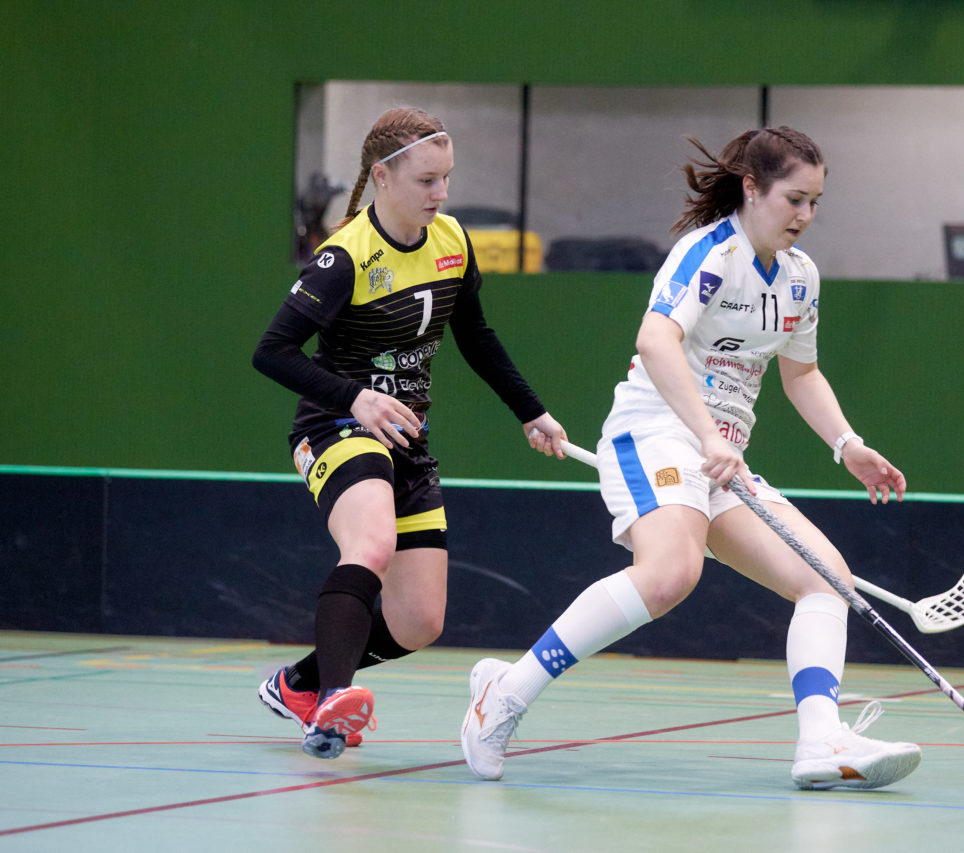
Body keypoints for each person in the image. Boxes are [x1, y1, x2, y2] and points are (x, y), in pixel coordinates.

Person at [461, 126, 921, 791]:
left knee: (828, 580)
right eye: (794, 199)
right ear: (752, 188)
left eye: (816, 202)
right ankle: (503, 696)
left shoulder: (800, 278)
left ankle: (821, 741)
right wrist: (707, 433)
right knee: (670, 571)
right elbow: (655, 340)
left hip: (719, 455)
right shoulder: (706, 255)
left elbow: (801, 374)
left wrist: (847, 444)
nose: (805, 216)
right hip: (654, 435)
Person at [252, 106, 566, 759]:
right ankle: (331, 708)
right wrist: (354, 397)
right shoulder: (345, 257)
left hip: (406, 443)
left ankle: (300, 684)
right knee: (372, 540)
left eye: (446, 178)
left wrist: (530, 411)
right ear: (383, 176)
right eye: (427, 180)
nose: (441, 194)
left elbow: (476, 338)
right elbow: (273, 351)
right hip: (335, 426)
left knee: (420, 620)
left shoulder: (451, 240)